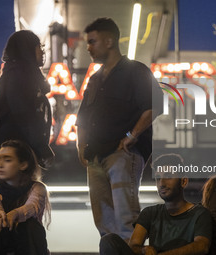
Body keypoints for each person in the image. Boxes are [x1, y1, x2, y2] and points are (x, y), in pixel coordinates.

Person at [75, 17, 162, 240]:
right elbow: (83, 116)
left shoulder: (135, 71)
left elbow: (155, 105)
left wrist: (131, 135)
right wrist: (81, 145)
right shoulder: (95, 79)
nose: (89, 47)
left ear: (110, 41)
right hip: (96, 154)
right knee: (104, 223)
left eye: (93, 41)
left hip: (122, 153)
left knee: (126, 221)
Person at [99, 153, 213, 255]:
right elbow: (133, 246)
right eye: (158, 178)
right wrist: (143, 250)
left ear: (183, 181)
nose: (161, 183)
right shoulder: (150, 213)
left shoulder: (200, 213)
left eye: (168, 176)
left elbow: (201, 246)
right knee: (109, 241)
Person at [0, 30, 54, 178]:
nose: (43, 52)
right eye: (39, 46)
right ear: (27, 49)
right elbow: (24, 115)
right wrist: (42, 147)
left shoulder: (17, 74)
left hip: (16, 152)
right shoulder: (19, 75)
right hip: (14, 155)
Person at [0, 140, 51, 255]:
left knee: (31, 225)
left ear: (23, 165)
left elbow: (32, 206)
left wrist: (15, 214)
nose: (0, 164)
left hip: (26, 243)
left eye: (7, 160)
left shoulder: (36, 188)